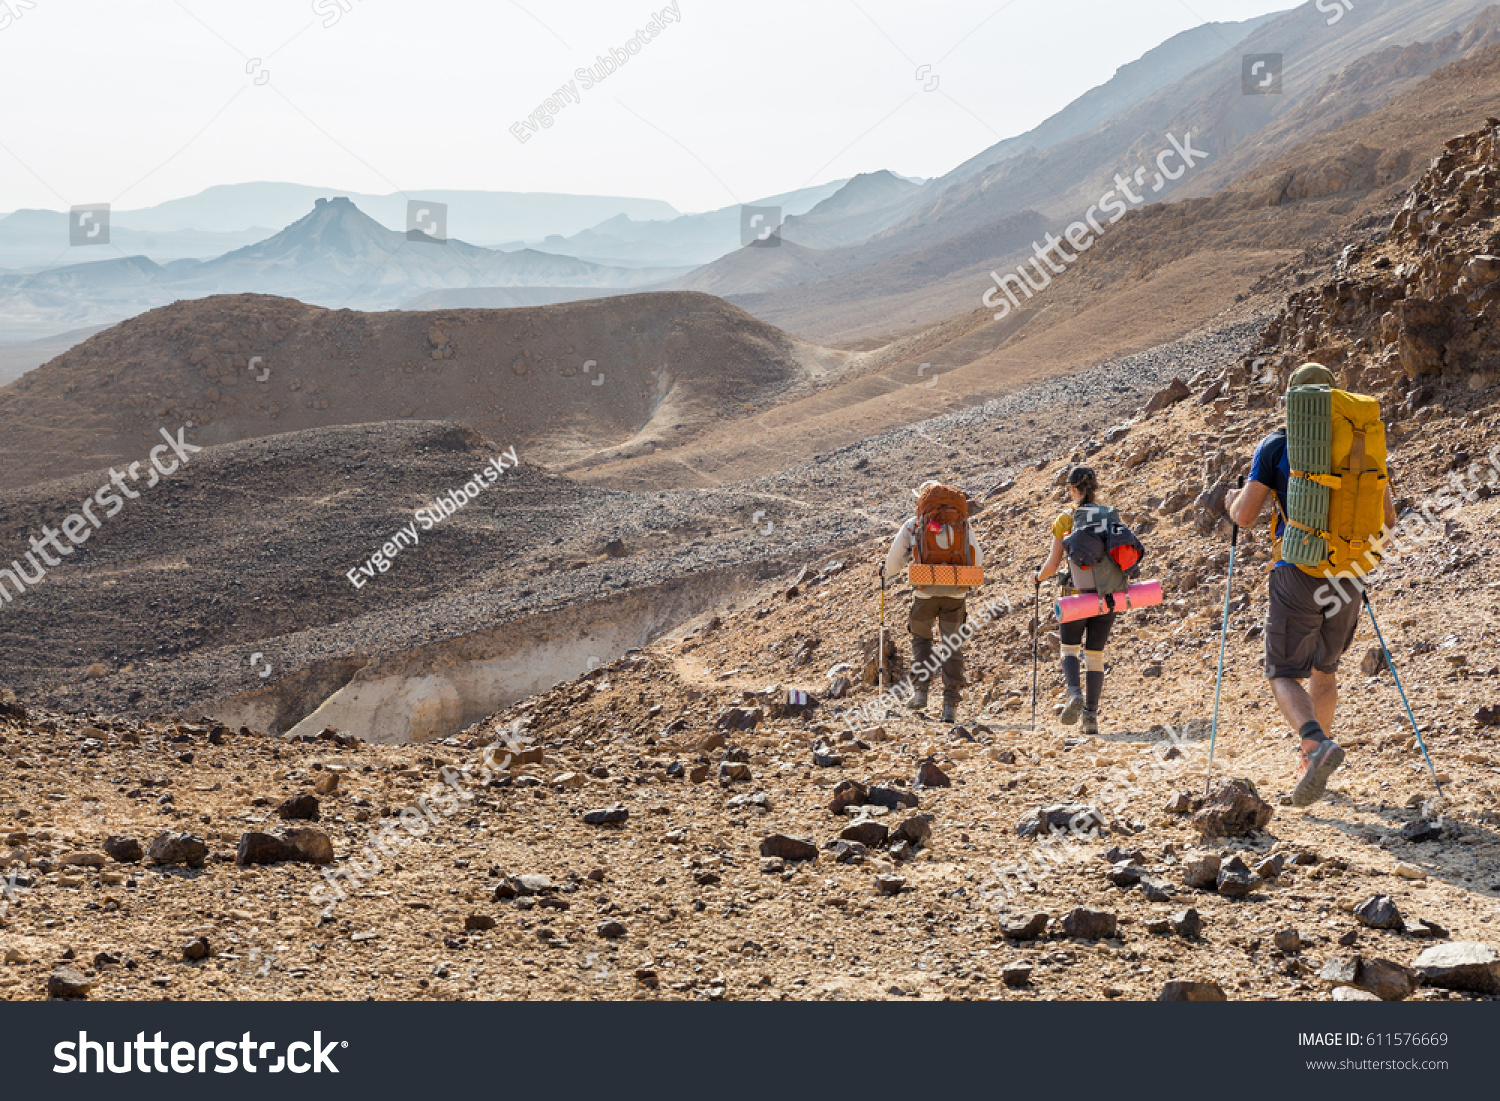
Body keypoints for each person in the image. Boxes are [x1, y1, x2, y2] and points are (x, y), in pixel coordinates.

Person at [1225, 362, 1397, 806]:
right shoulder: (1361, 443)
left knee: (1282, 672)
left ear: (1293, 402)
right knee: (1326, 669)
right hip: (1349, 575)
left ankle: (1315, 746)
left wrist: (1229, 504)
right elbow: (1389, 520)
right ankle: (1311, 765)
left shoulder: (1277, 443)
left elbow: (1245, 516)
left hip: (1298, 572)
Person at [881, 481, 984, 723]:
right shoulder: (963, 524)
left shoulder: (914, 524)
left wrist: (886, 573)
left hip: (925, 592)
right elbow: (977, 559)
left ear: (922, 500)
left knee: (921, 640)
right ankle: (950, 706)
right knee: (952, 645)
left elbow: (894, 562)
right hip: (956, 593)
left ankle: (920, 693)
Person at [1033, 466, 1114, 736]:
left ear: (1073, 489)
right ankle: (1090, 718)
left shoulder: (1065, 519)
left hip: (1075, 596)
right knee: (1095, 655)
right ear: (1095, 488)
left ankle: (1073, 692)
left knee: (1069, 649)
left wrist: (1037, 577)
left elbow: (1053, 564)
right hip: (1105, 596)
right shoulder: (1109, 516)